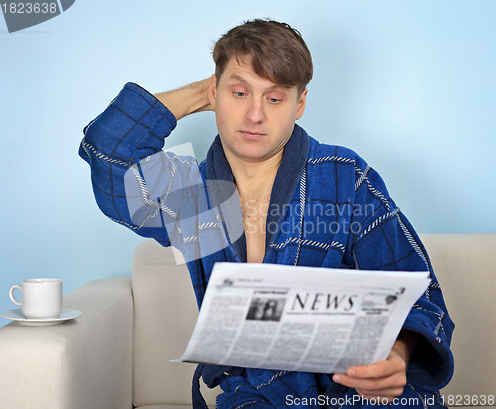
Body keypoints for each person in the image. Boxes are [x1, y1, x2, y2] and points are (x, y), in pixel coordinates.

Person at [79, 19, 454, 409]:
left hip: (356, 388)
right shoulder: (192, 193)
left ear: (300, 104)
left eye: (274, 99)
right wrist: (198, 94)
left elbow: (417, 291)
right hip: (258, 394)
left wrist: (397, 354)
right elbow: (109, 151)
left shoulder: (344, 176)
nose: (255, 114)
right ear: (214, 91)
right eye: (239, 93)